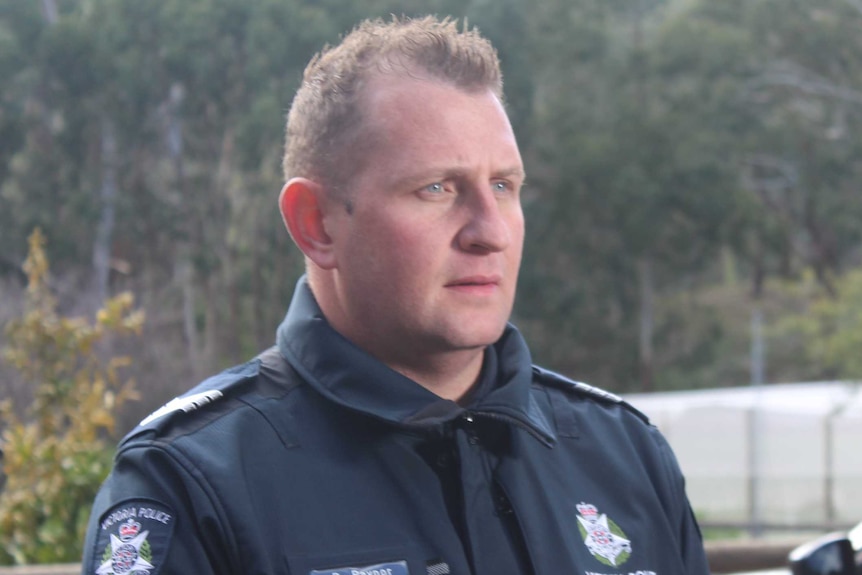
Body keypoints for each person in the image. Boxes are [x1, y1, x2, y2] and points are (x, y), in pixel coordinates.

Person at [82, 16, 710, 575]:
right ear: (316, 223)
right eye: (437, 188)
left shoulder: (625, 454)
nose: (490, 232)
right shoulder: (189, 483)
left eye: (504, 185)